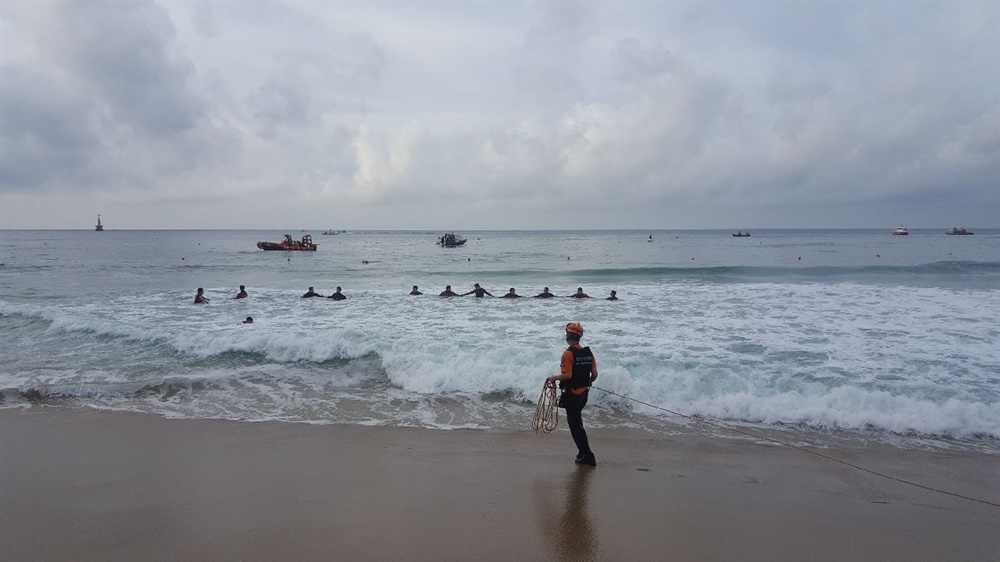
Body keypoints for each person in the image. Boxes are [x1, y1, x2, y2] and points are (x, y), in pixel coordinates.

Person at [545, 322, 598, 466]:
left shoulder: (568, 354)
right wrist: (588, 382)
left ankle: (587, 455)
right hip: (583, 394)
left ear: (568, 335)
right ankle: (583, 453)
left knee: (575, 426)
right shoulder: (588, 352)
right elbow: (594, 374)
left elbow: (567, 375)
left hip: (573, 395)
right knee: (577, 423)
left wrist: (553, 378)